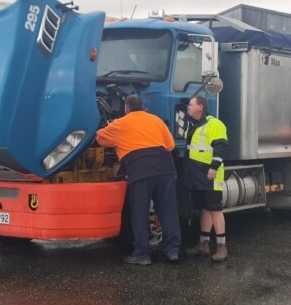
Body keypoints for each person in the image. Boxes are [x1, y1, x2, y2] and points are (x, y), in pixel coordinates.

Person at [96, 94, 181, 265]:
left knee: (140, 214)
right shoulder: (156, 120)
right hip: (165, 169)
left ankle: (142, 255)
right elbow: (171, 145)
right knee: (168, 212)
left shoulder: (120, 123)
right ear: (143, 107)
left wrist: (105, 127)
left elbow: (100, 139)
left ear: (126, 108)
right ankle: (172, 251)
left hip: (140, 171)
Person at [183, 96, 229, 262]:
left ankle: (222, 247)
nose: (188, 107)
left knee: (215, 209)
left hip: (210, 174)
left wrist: (213, 168)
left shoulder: (214, 124)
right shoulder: (194, 125)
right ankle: (203, 245)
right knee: (204, 209)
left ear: (200, 107)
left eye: (191, 104)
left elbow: (221, 148)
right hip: (197, 175)